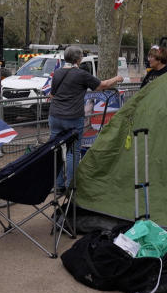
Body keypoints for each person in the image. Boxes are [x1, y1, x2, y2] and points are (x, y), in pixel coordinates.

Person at [49, 45, 123, 187]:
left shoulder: (57, 72)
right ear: (78, 59)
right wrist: (117, 78)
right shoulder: (81, 74)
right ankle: (71, 185)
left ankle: (58, 184)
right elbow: (102, 85)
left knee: (55, 150)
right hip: (72, 117)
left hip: (55, 116)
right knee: (73, 151)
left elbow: (52, 94)